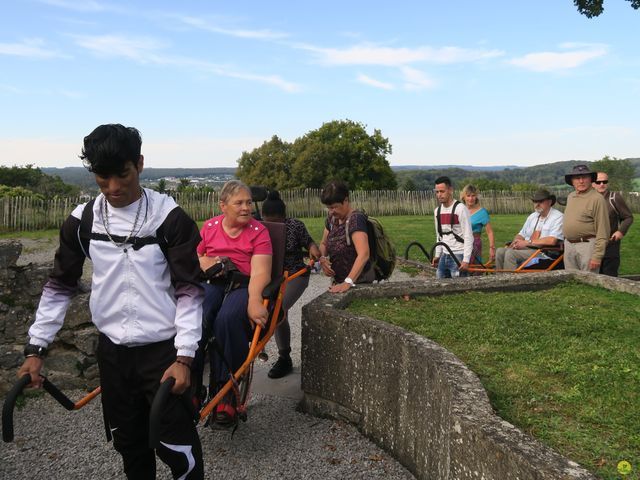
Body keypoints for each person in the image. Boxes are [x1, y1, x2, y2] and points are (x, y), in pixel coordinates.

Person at [17, 124, 204, 479]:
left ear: (140, 164)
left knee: (177, 447)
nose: (115, 188)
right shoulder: (81, 221)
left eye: (123, 175)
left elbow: (190, 291)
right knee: (130, 446)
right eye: (103, 179)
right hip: (113, 354)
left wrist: (185, 358)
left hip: (163, 353)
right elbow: (59, 286)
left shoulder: (169, 218)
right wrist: (35, 349)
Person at [197, 180, 272, 426]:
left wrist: (254, 301)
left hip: (244, 285)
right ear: (223, 206)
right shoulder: (209, 227)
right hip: (215, 283)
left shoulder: (259, 232)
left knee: (227, 320)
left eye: (249, 202)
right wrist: (206, 262)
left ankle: (226, 391)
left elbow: (260, 272)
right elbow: (196, 255)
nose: (246, 207)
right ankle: (192, 387)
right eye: (238, 202)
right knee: (198, 314)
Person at [261, 190, 320, 379]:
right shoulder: (258, 226)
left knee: (279, 311)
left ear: (284, 217)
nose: (272, 227)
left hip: (294, 276)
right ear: (262, 217)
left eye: (276, 223)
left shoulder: (295, 226)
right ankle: (273, 353)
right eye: (268, 222)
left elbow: (309, 242)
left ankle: (283, 357)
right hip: (270, 277)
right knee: (266, 310)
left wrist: (313, 248)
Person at [319, 181, 374, 293]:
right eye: (329, 208)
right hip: (339, 282)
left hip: (359, 282)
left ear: (346, 200)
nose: (332, 211)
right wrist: (322, 259)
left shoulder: (356, 220)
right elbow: (323, 243)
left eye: (335, 207)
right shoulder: (331, 219)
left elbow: (364, 254)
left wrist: (348, 282)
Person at [495, 188, 564, 271]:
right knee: (500, 251)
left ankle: (510, 281)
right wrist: (516, 241)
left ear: (549, 202)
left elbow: (552, 240)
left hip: (544, 251)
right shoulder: (532, 216)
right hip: (528, 248)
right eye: (535, 201)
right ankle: (498, 279)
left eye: (541, 201)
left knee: (510, 254)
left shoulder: (558, 217)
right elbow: (521, 234)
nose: (537, 204)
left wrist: (527, 242)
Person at [562, 164, 610, 272]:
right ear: (572, 181)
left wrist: (597, 256)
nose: (581, 181)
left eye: (584, 177)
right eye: (577, 178)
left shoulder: (597, 199)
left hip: (587, 246)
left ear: (590, 180)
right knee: (571, 281)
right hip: (569, 245)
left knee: (589, 282)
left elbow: (603, 230)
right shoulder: (571, 196)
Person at [593, 172, 634, 277]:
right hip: (592, 243)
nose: (602, 184)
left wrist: (620, 231)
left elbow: (628, 217)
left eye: (605, 181)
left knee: (609, 275)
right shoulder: (589, 199)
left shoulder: (614, 197)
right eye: (598, 182)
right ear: (593, 183)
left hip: (610, 243)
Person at [431, 176, 473, 278]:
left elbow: (468, 236)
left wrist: (466, 260)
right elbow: (439, 235)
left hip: (459, 254)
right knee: (439, 285)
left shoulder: (460, 209)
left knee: (459, 289)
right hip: (444, 255)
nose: (439, 195)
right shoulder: (438, 211)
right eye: (437, 192)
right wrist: (437, 255)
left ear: (450, 190)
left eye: (442, 191)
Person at [460, 184, 495, 264]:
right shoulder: (460, 210)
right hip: (460, 243)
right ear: (464, 197)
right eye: (468, 196)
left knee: (473, 269)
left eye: (473, 196)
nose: (471, 198)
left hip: (474, 244)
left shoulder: (482, 212)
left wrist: (492, 248)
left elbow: (490, 232)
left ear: (476, 197)